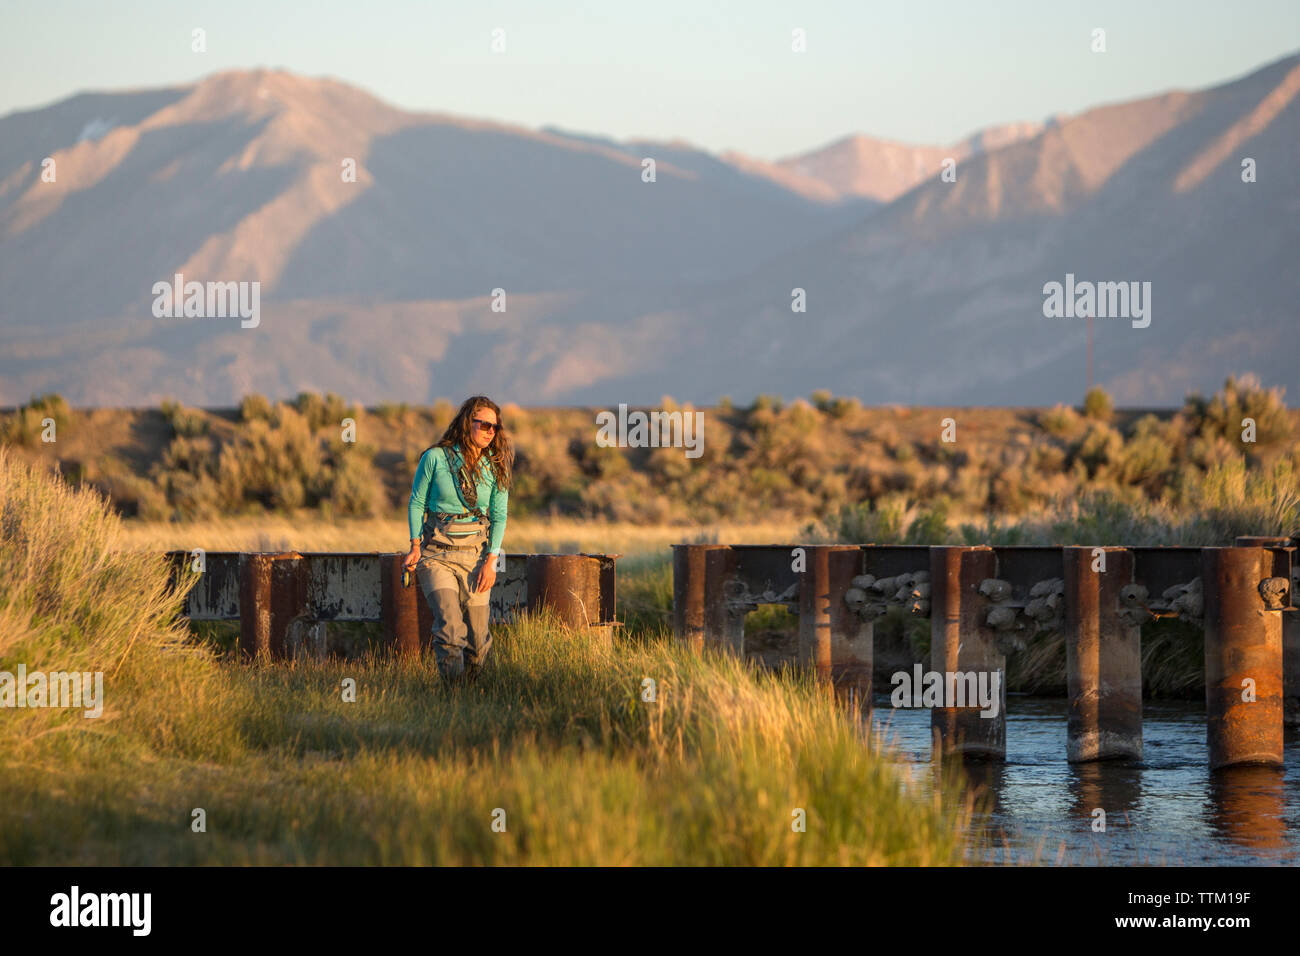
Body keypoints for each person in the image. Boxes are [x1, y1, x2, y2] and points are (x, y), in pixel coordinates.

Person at [403, 396, 512, 683]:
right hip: (436, 556)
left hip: (476, 559)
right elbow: (417, 502)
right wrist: (415, 545)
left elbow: (499, 517)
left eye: (496, 428)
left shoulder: (496, 465)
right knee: (450, 632)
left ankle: (476, 697)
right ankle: (453, 697)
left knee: (478, 640)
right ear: (468, 423)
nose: (491, 432)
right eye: (485, 425)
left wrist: (491, 562)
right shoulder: (435, 458)